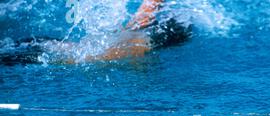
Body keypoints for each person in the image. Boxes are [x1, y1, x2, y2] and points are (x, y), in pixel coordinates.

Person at [0, 0, 190, 65]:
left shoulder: (136, 33)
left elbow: (148, 9)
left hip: (49, 46)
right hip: (50, 53)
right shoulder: (138, 47)